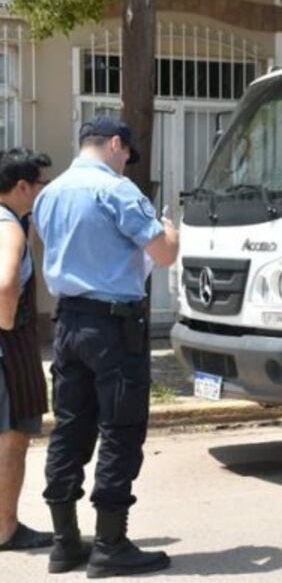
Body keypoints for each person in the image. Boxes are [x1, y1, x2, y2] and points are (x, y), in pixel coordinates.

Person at [33, 118, 180, 577]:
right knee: (120, 429)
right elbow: (164, 255)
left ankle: (64, 544)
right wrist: (171, 230)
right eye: (125, 155)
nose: (124, 164)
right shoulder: (116, 191)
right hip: (114, 328)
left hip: (68, 322)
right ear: (116, 145)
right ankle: (111, 545)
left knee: (70, 429)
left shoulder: (49, 193)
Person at [0, 148, 54, 552]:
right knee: (12, 438)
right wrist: (6, 324)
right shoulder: (9, 229)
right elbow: (6, 285)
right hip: (8, 348)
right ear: (22, 186)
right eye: (41, 185)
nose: (43, 191)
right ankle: (4, 529)